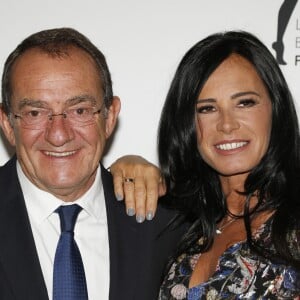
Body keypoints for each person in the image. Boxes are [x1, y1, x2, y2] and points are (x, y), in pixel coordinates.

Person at [0, 27, 187, 300]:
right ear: (7, 123)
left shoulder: (169, 224)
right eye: (35, 112)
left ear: (110, 117)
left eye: (80, 110)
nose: (59, 134)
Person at [110, 30, 300, 299]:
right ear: (187, 124)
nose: (226, 124)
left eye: (245, 103)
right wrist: (125, 167)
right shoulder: (179, 223)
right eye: (207, 108)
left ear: (275, 107)